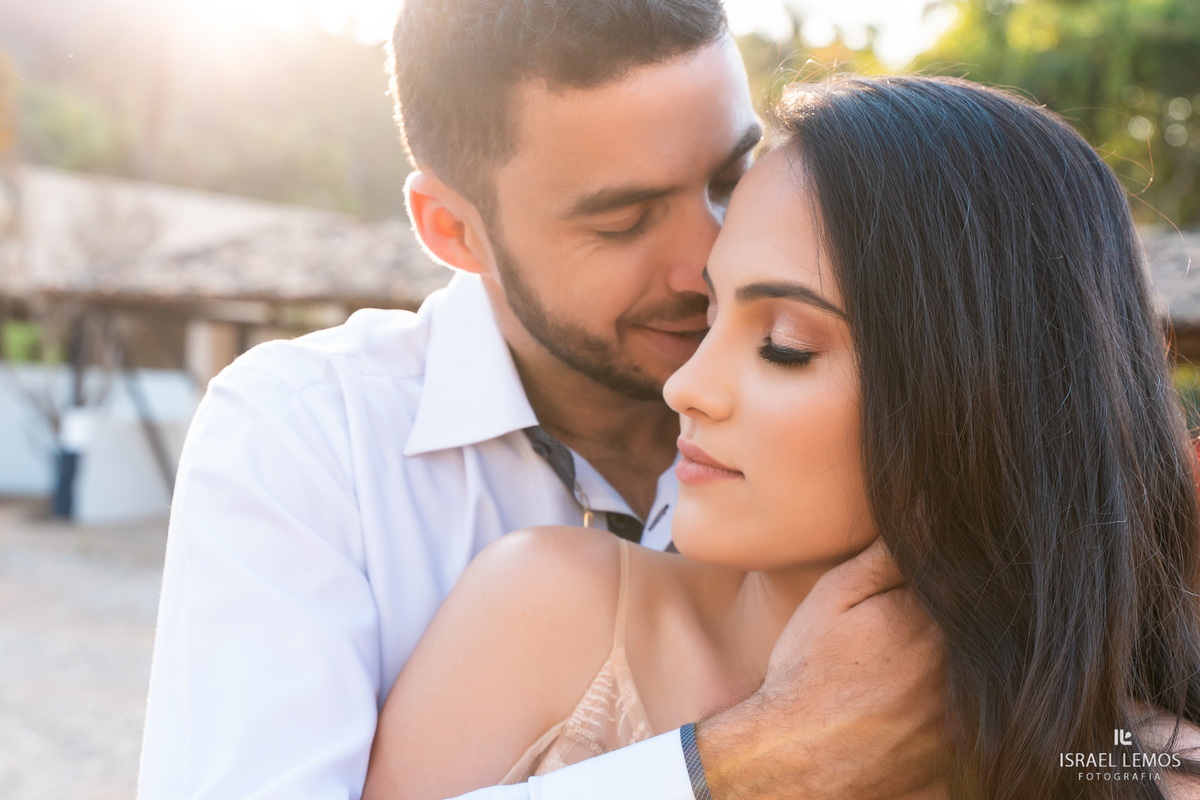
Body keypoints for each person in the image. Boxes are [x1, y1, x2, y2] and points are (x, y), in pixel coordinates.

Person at [137, 2, 945, 799]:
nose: (709, 261)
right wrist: (745, 761)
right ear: (453, 229)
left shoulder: (876, 418)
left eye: (730, 177)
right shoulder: (308, 438)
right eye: (625, 221)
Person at [361, 75, 1200, 800]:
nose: (683, 386)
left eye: (784, 346)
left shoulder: (1137, 765)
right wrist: (749, 761)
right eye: (712, 314)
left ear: (986, 394)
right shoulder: (547, 612)